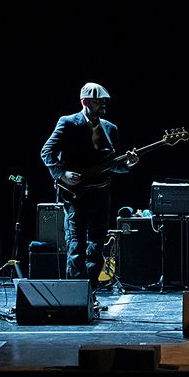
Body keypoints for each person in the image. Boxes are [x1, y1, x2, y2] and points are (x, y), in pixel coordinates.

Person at [40, 82, 132, 287]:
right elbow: (47, 152)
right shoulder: (68, 123)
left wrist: (128, 164)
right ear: (85, 102)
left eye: (104, 101)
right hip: (76, 194)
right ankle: (76, 294)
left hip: (101, 195)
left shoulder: (110, 128)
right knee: (76, 245)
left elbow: (114, 165)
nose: (103, 104)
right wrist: (62, 174)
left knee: (96, 247)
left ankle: (90, 292)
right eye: (98, 101)